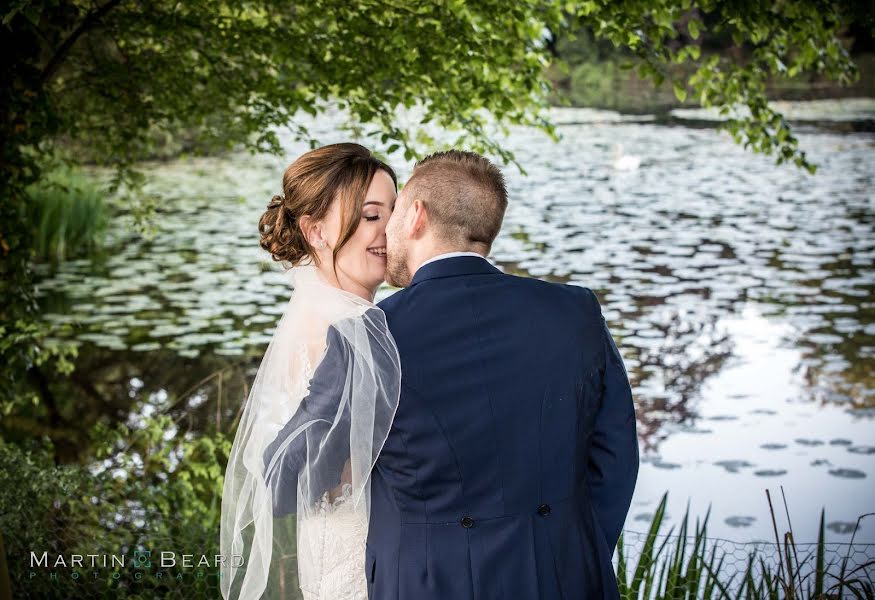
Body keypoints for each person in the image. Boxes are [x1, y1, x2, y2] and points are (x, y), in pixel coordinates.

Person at [367, 150, 640, 599]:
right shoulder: (576, 312)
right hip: (565, 576)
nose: (385, 229)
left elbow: (303, 472)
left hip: (427, 581)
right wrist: (573, 549)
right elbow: (614, 458)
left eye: (393, 212)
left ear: (415, 215)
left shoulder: (374, 331)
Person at [219, 143, 402, 600]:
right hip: (359, 555)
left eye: (394, 214)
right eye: (369, 215)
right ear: (315, 231)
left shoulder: (325, 306)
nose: (387, 231)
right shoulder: (339, 327)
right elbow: (300, 469)